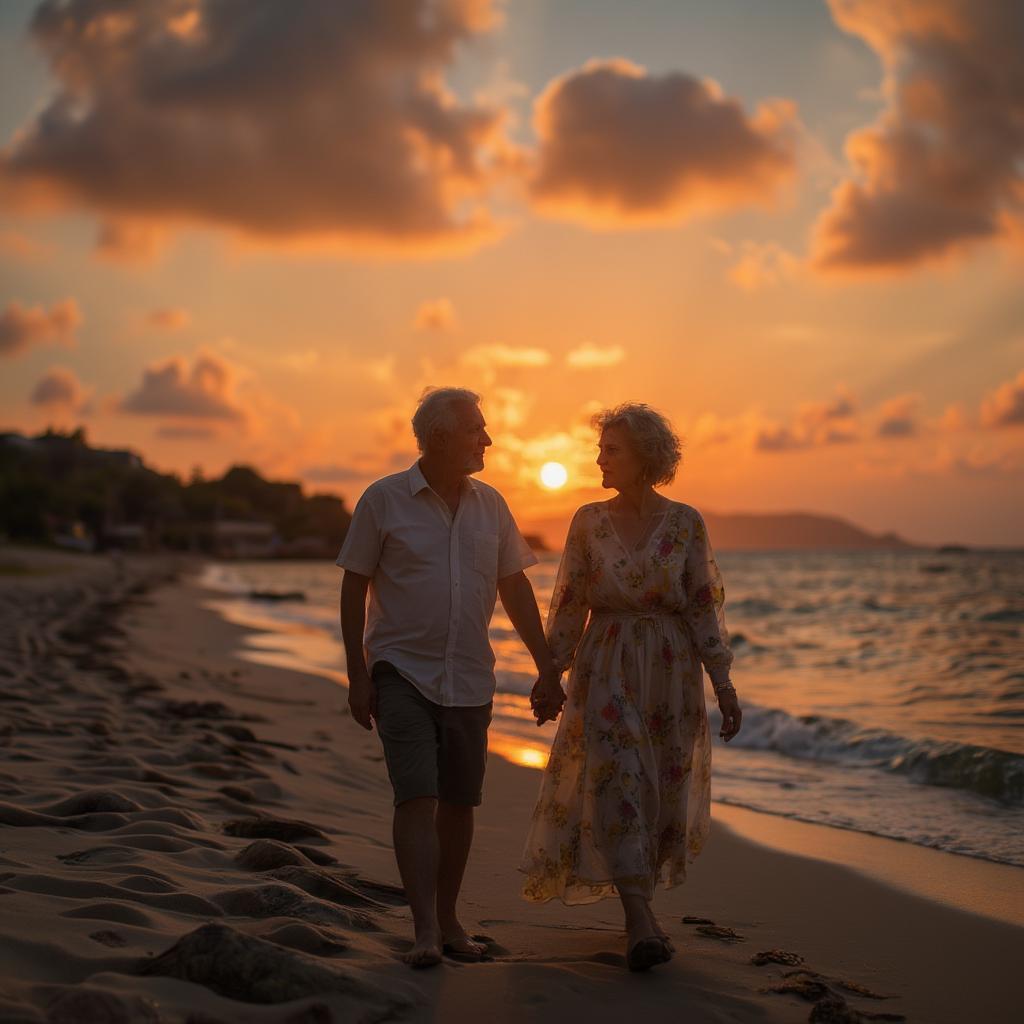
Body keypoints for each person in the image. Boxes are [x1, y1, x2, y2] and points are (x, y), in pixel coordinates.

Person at [338, 386, 561, 968]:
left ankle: (448, 918)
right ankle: (423, 932)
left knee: (459, 802)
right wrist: (357, 676)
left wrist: (546, 666)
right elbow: (353, 583)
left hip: (468, 675)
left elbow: (514, 587)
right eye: (476, 429)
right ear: (439, 436)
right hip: (399, 670)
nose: (487, 439)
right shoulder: (382, 500)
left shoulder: (492, 505)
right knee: (417, 795)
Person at [521, 401, 742, 972]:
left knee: (656, 790)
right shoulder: (588, 522)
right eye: (600, 449)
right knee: (618, 779)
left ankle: (639, 911)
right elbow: (568, 603)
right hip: (606, 665)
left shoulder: (687, 522)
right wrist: (552, 672)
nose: (599, 459)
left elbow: (703, 607)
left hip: (671, 673)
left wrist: (724, 684)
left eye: (611, 450)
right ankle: (639, 921)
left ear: (646, 458)